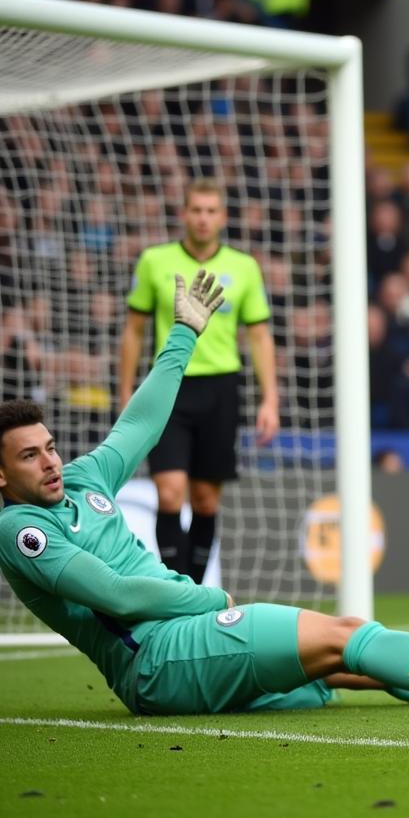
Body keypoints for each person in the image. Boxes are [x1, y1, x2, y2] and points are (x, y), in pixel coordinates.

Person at [0, 271, 409, 717]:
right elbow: (114, 594)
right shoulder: (19, 530)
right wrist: (205, 600)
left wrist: (184, 331)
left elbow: (139, 424)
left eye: (49, 446)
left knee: (344, 660)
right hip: (158, 656)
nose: (51, 461)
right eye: (31, 456)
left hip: (176, 652)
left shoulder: (82, 481)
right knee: (346, 637)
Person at [119, 179, 279, 585]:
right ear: (183, 214)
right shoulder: (155, 261)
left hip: (221, 389)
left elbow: (259, 335)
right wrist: (125, 392)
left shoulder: (244, 267)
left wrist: (270, 400)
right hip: (168, 387)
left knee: (206, 499)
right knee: (170, 493)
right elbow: (134, 330)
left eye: (211, 211)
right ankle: (173, 592)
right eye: (197, 210)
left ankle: (188, 594)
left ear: (222, 217)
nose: (204, 219)